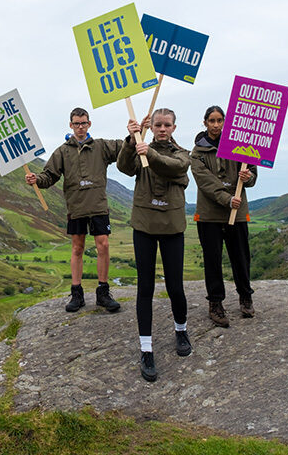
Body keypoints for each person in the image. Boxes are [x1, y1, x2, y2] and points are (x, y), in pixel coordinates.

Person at [117, 109, 191, 382]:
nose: (161, 128)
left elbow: (176, 168)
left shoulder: (183, 153)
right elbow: (125, 167)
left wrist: (149, 151)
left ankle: (181, 331)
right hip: (144, 226)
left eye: (166, 125)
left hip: (172, 227)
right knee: (145, 288)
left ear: (173, 127)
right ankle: (146, 349)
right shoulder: (140, 145)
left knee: (175, 286)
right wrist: (131, 138)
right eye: (157, 124)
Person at [25, 107, 121, 313]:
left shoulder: (102, 146)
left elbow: (125, 147)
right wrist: (36, 180)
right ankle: (77, 294)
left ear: (89, 124)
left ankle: (103, 293)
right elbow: (49, 176)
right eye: (77, 123)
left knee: (102, 245)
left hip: (98, 205)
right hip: (76, 207)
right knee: (77, 248)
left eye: (84, 123)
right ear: (71, 125)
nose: (80, 127)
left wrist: (135, 134)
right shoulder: (62, 151)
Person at [190, 105, 257, 327]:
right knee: (212, 260)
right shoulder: (197, 152)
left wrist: (247, 177)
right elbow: (206, 182)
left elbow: (253, 177)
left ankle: (245, 296)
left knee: (240, 256)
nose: (216, 125)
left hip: (237, 213)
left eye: (220, 120)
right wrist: (226, 199)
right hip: (209, 214)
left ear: (225, 121)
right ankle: (216, 303)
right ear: (205, 122)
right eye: (212, 120)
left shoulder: (242, 146)